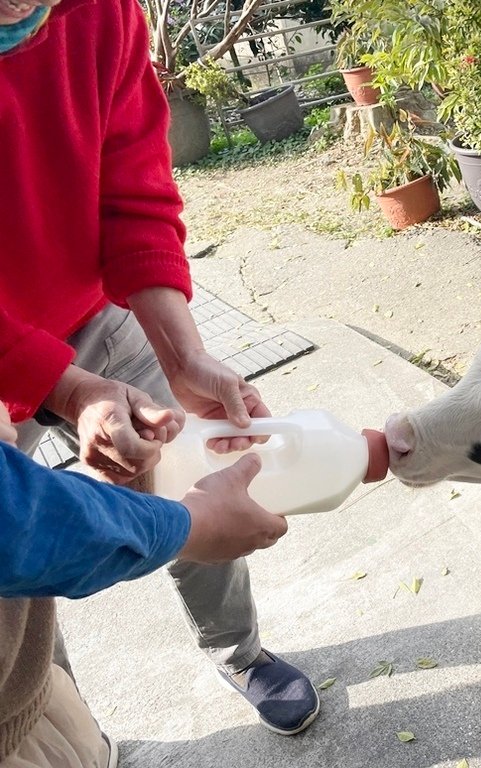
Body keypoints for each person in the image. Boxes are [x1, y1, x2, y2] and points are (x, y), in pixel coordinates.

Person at [0, 0, 319, 738]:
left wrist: (183, 356)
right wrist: (65, 386)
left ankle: (238, 651)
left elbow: (132, 188)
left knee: (197, 463)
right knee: (14, 588)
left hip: (90, 309)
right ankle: (52, 726)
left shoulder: (102, 11)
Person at [0, 401, 289, 768]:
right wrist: (191, 525)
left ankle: (239, 658)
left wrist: (72, 388)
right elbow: (24, 522)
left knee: (78, 743)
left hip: (32, 697)